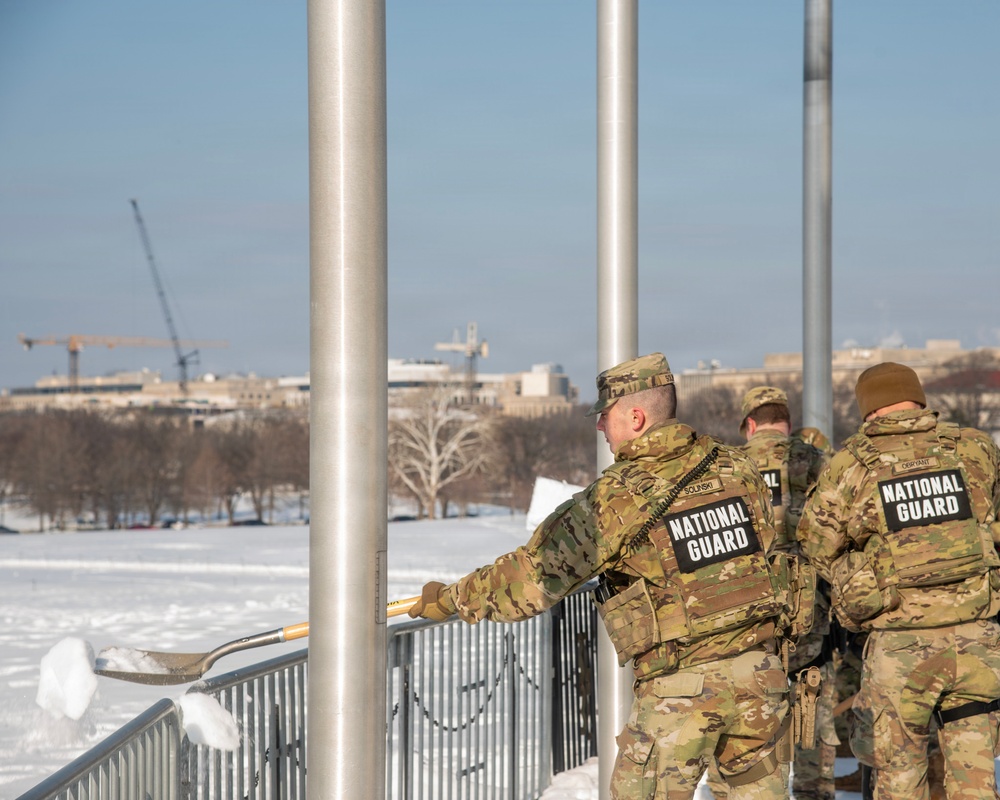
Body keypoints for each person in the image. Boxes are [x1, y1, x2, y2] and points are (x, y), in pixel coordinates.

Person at [409, 353, 793, 799]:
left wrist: (452, 599)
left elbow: (532, 579)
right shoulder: (737, 468)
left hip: (680, 689)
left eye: (605, 415)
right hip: (761, 677)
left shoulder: (612, 499)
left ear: (635, 415)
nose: (599, 427)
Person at [798, 361, 1000, 800]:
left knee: (900, 776)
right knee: (976, 778)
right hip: (978, 640)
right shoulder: (974, 448)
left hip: (899, 646)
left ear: (869, 409)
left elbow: (816, 545)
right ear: (919, 398)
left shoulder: (851, 464)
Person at [707, 386, 835, 800]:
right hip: (809, 600)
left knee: (751, 699)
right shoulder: (814, 461)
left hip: (750, 604)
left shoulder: (728, 466)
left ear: (749, 424)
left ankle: (753, 787)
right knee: (812, 690)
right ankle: (814, 787)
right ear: (788, 422)